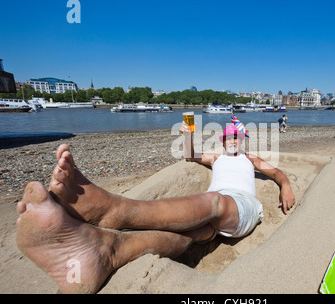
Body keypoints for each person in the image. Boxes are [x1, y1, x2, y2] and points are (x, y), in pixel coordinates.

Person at [15, 122, 295, 293]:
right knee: (190, 234)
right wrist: (188, 135)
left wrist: (286, 186)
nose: (232, 141)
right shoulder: (217, 159)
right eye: (228, 138)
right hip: (213, 217)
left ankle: (116, 210)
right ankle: (107, 251)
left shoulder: (251, 159)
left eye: (236, 137)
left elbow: (277, 174)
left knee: (214, 202)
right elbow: (190, 154)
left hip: (242, 207)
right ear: (223, 142)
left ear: (243, 141)